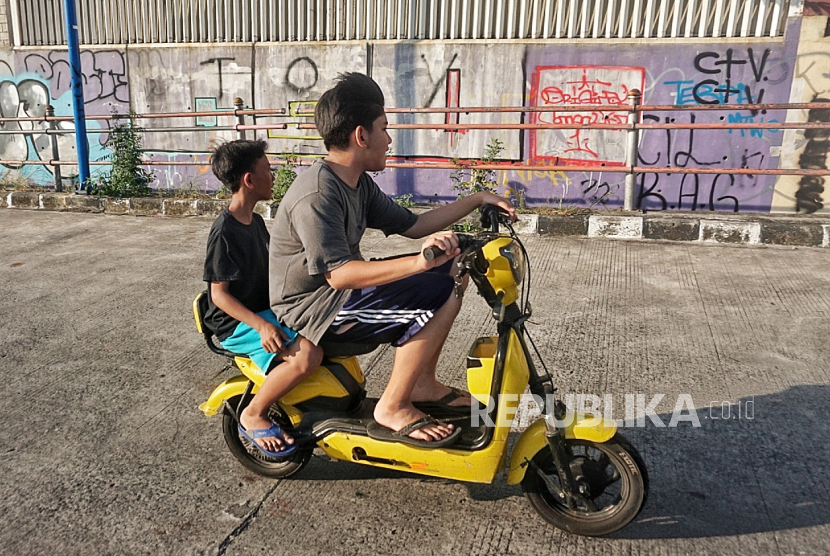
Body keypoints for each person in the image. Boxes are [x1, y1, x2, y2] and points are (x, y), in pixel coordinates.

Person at [268, 73, 516, 447]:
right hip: (312, 310)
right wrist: (419, 264)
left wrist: (477, 199)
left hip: (336, 297)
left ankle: (421, 384)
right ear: (361, 136)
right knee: (434, 285)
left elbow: (415, 225)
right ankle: (393, 406)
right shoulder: (318, 194)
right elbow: (340, 276)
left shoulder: (357, 183)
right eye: (384, 128)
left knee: (452, 269)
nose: (388, 138)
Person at [203, 139, 322, 458]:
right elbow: (219, 295)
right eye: (268, 170)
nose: (273, 176)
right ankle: (254, 413)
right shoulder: (225, 231)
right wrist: (262, 327)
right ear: (249, 180)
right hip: (235, 322)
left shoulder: (254, 221)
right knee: (307, 355)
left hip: (262, 308)